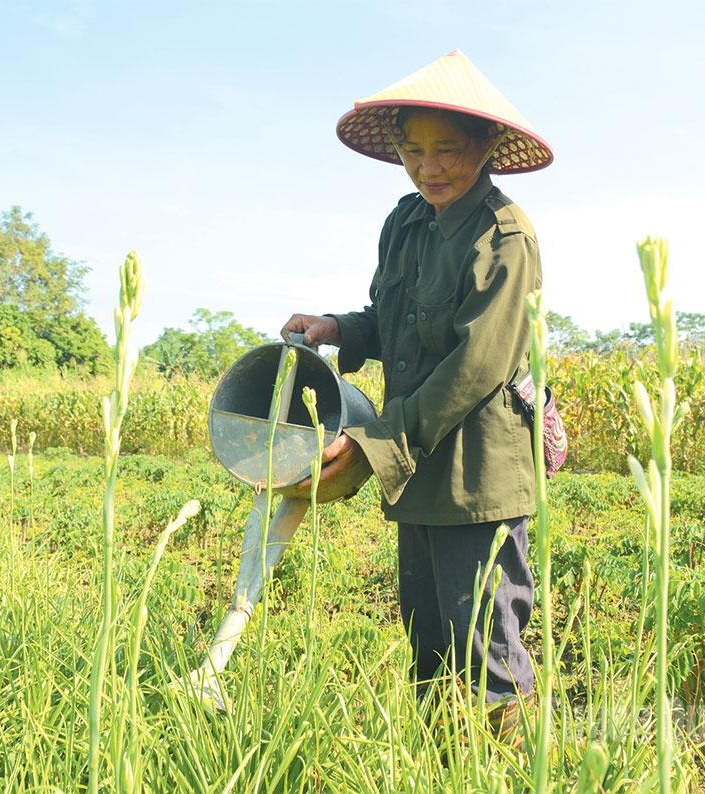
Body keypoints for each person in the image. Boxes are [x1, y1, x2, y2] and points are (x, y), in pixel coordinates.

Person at [279, 50, 554, 741]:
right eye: (414, 150)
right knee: (429, 641)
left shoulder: (505, 238)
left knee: (486, 643)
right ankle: (438, 764)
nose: (428, 168)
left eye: (447, 150)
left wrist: (374, 446)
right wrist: (337, 327)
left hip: (476, 474)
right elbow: (393, 321)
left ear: (487, 146)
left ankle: (502, 768)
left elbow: (475, 365)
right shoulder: (405, 221)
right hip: (416, 470)